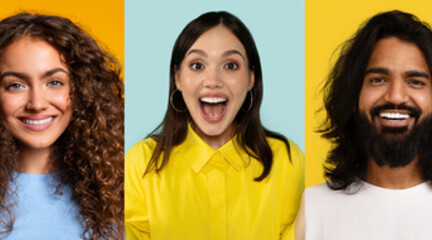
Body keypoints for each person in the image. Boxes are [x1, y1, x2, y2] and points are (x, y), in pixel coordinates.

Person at [295, 10, 432, 240]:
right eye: (378, 80)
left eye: (415, 82)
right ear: (354, 97)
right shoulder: (314, 208)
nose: (395, 96)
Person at [124, 11, 304, 239]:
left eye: (230, 66)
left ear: (251, 78)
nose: (213, 81)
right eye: (197, 65)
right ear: (177, 77)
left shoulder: (288, 163)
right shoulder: (139, 164)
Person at [0, 13, 124, 240]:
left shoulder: (122, 189)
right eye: (16, 85)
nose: (37, 104)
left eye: (54, 82)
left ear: (81, 90)